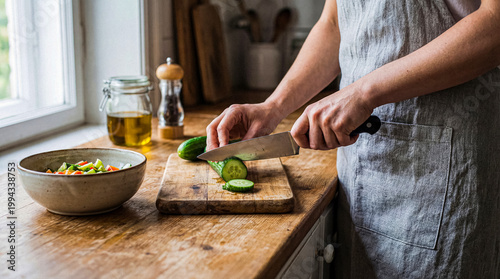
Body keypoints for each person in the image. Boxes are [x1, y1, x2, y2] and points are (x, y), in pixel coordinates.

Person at [206, 0, 500, 277]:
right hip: (363, 170)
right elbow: (335, 23)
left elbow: (494, 24)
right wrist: (273, 107)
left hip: (441, 174)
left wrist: (363, 93)